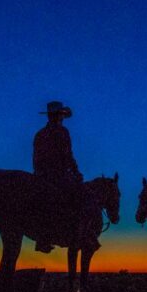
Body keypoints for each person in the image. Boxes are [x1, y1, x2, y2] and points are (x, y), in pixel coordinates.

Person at [32, 101, 97, 253]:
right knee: (84, 195)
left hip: (41, 175)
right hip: (58, 175)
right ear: (60, 116)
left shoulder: (40, 134)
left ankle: (43, 238)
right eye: (61, 115)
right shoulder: (62, 132)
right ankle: (84, 234)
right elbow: (68, 156)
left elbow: (35, 159)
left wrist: (39, 174)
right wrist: (76, 172)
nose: (61, 118)